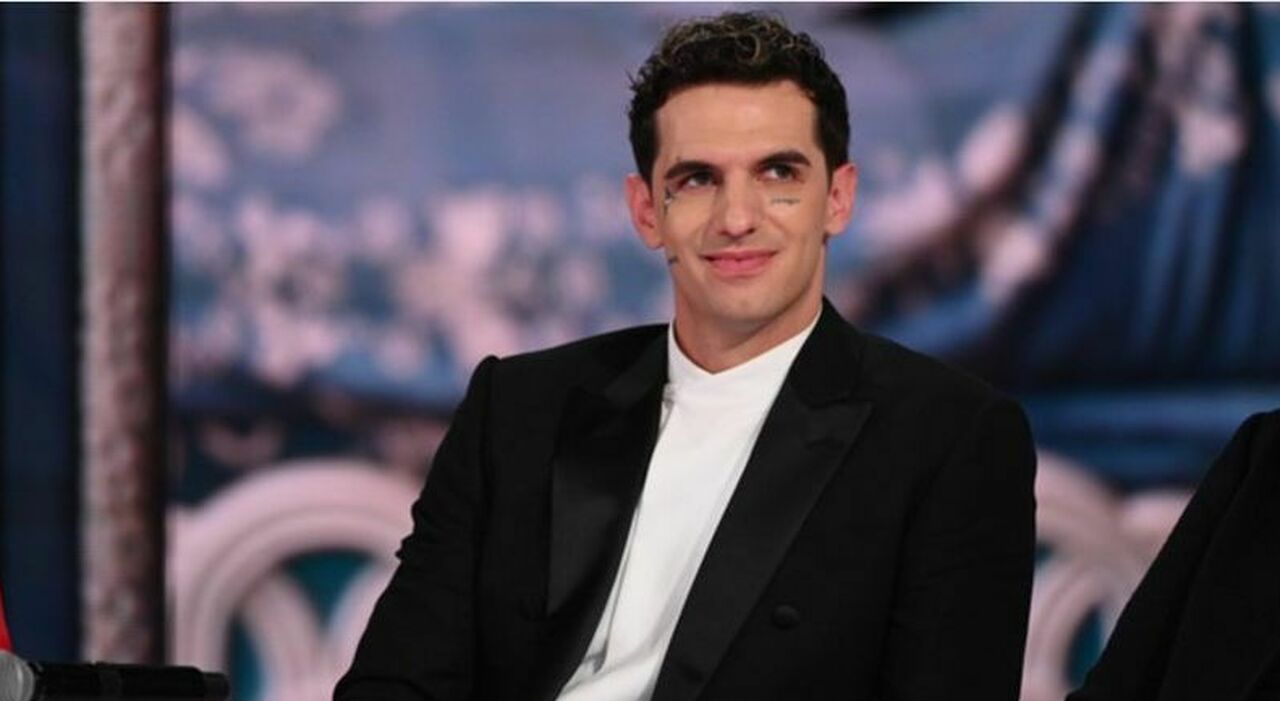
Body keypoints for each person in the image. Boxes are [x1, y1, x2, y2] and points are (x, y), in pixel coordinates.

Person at [335, 12, 1036, 701]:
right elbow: (393, 681)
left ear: (838, 198)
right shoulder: (518, 410)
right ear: (647, 211)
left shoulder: (948, 438)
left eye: (778, 173)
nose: (737, 218)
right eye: (698, 178)